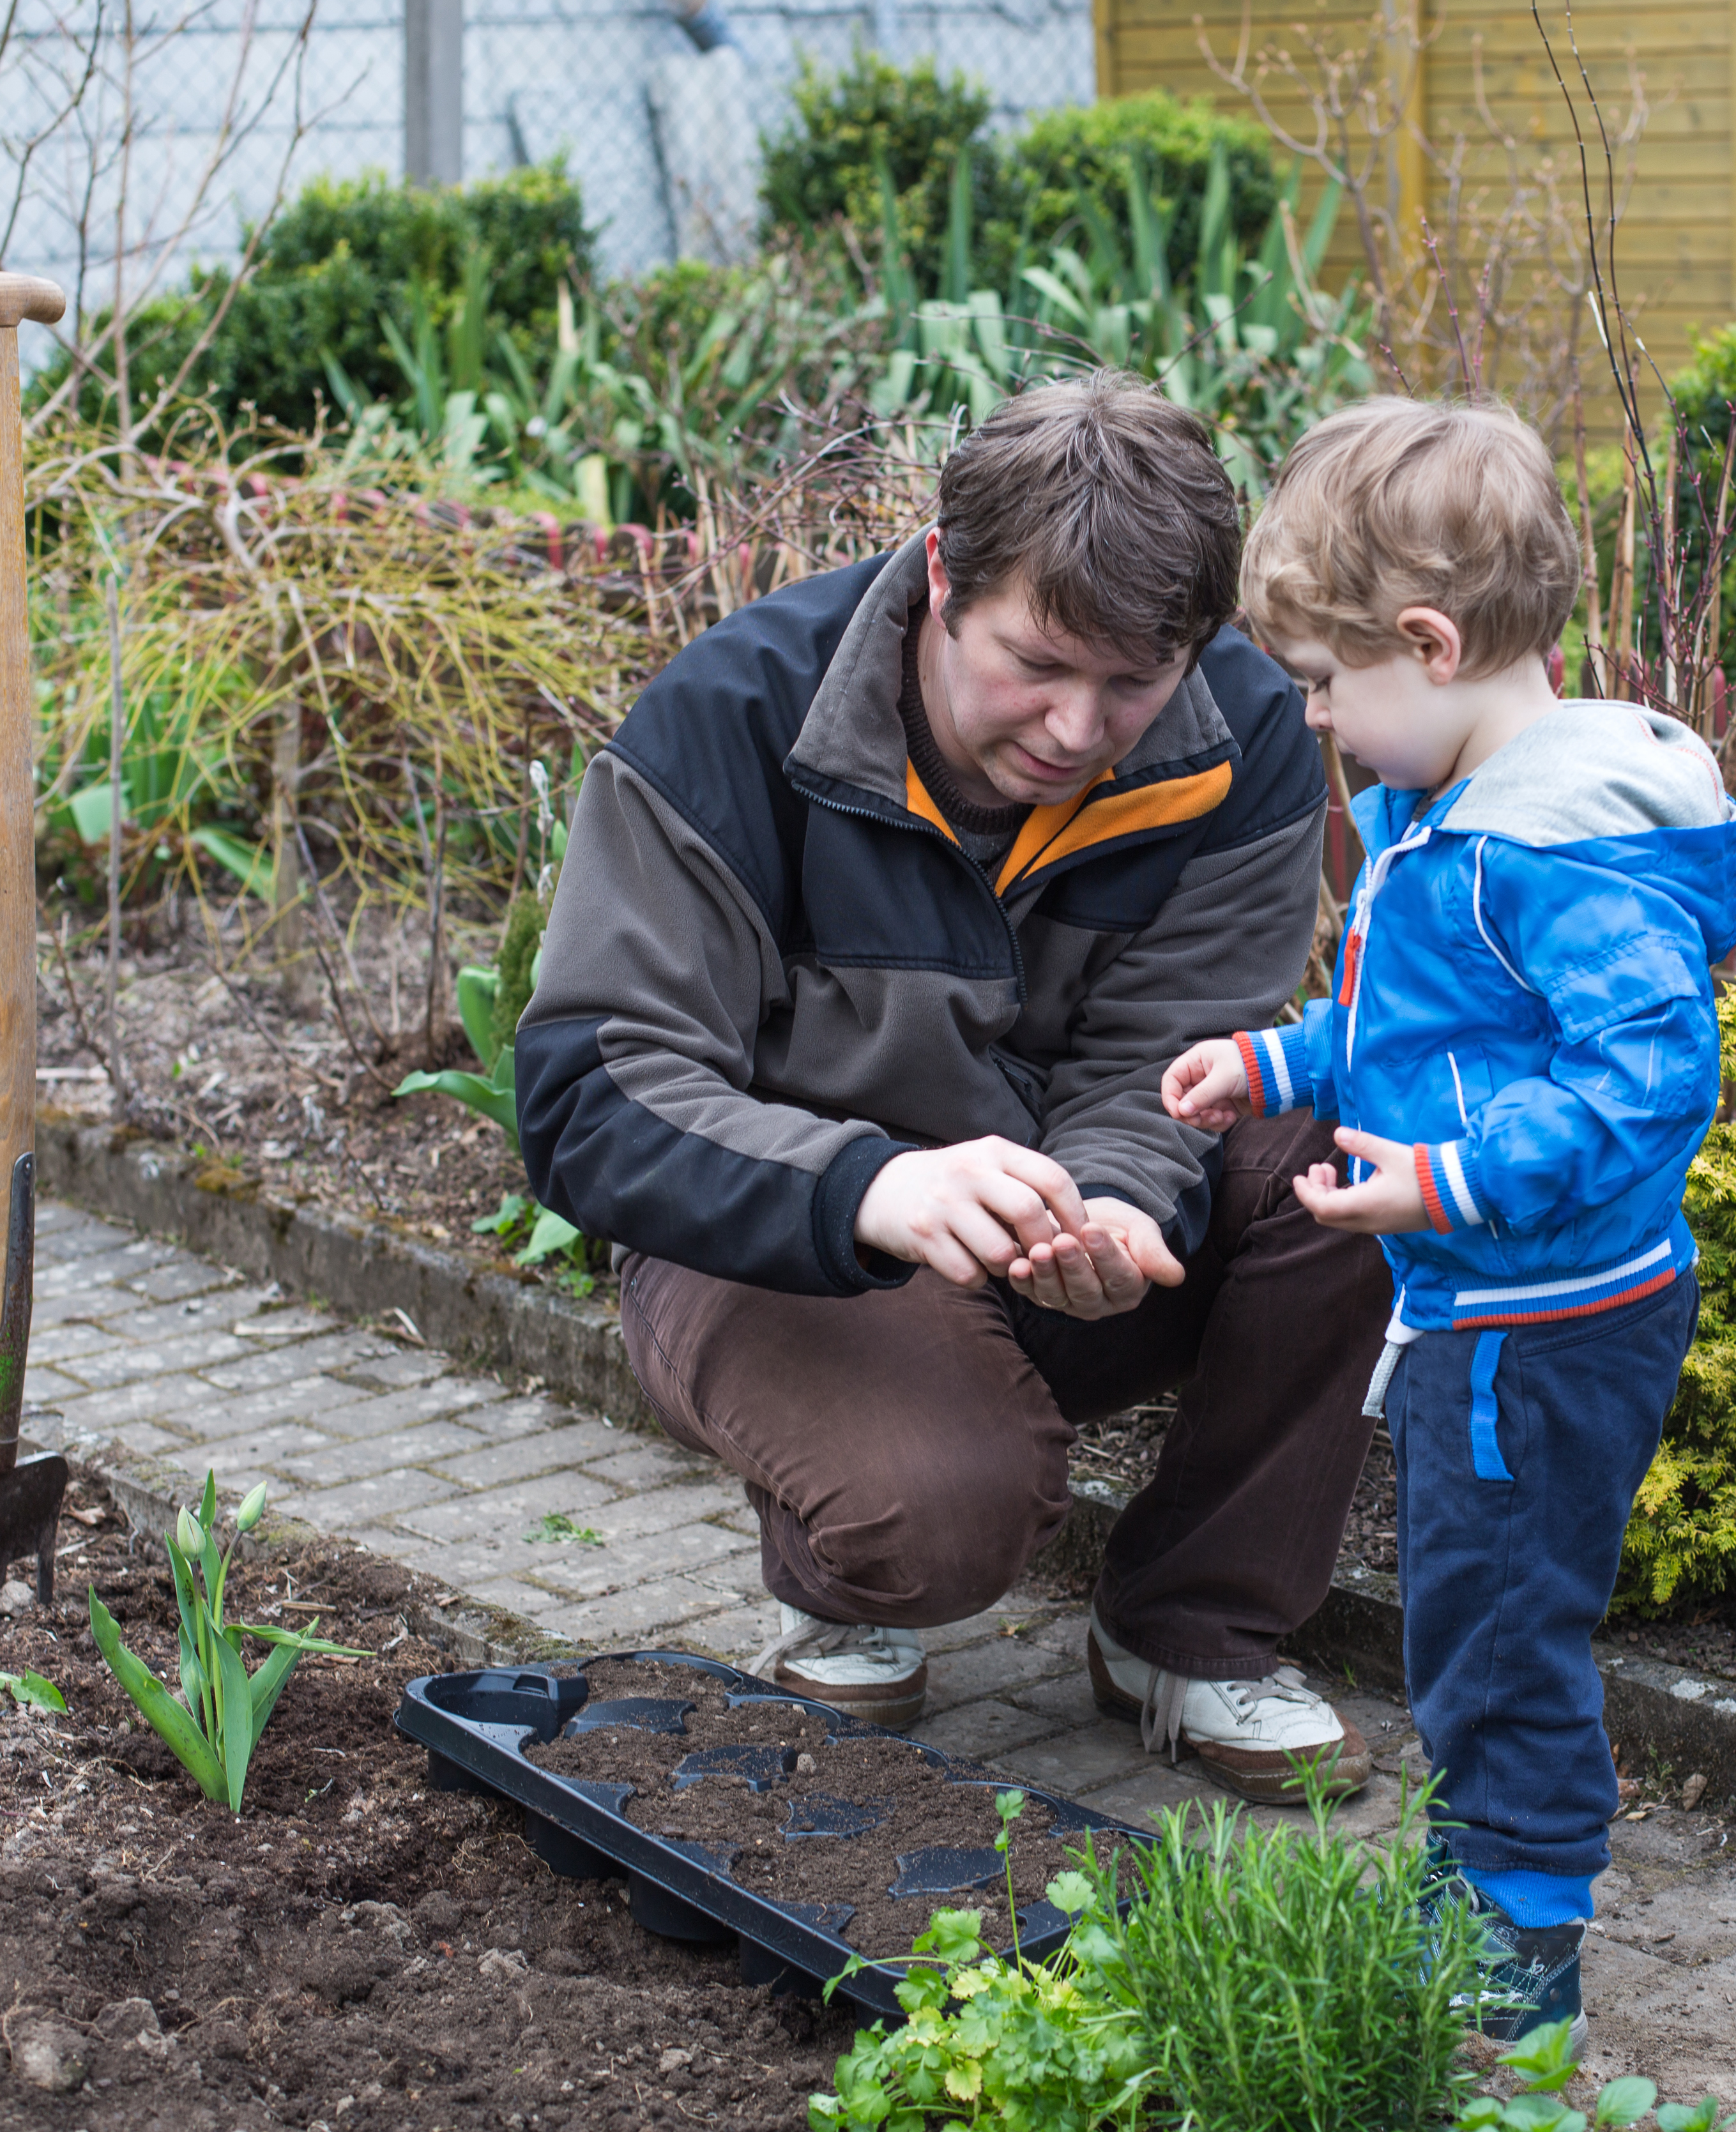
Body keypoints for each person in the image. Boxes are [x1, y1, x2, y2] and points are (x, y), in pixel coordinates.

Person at [512, 372, 1386, 1801]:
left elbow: (1160, 1052)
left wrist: (1111, 1202)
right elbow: (588, 1094)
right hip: (791, 1234)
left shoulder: (1237, 738)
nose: (1076, 727)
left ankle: (1190, 1625)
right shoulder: (734, 722)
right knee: (936, 1517)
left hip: (1053, 1206)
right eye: (1034, 663)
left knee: (1357, 1146)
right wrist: (873, 1187)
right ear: (939, 576)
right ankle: (842, 1575)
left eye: (1132, 678)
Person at [1161, 397, 1736, 2041]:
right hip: (1477, 1305)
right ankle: (1478, 1867)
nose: (1320, 724)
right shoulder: (1448, 821)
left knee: (1498, 1635)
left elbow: (1648, 1084)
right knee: (1464, 1621)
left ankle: (1520, 1947)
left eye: (1327, 690)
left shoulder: (1546, 855)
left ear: (1426, 642)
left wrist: (1444, 1182)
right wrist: (1272, 1058)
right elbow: (1422, 1032)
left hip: (1538, 1320)